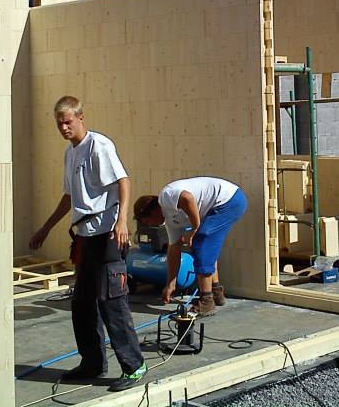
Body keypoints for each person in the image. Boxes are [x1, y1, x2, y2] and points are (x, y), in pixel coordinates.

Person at [29, 96, 147, 392]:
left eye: (68, 122)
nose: (64, 128)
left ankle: (134, 365)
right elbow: (70, 197)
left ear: (81, 117)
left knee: (112, 302)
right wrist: (45, 228)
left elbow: (124, 181)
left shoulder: (99, 146)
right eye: (59, 124)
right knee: (82, 303)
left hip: (107, 232)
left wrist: (121, 222)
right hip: (85, 235)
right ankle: (92, 363)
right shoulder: (71, 154)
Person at [133, 177, 247, 317]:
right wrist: (171, 283)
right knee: (207, 246)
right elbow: (174, 250)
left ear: (152, 211)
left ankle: (206, 300)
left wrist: (195, 228)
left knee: (202, 243)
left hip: (229, 199)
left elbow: (187, 198)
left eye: (147, 221)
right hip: (223, 203)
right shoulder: (170, 222)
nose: (151, 225)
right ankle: (216, 291)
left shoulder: (165, 197)